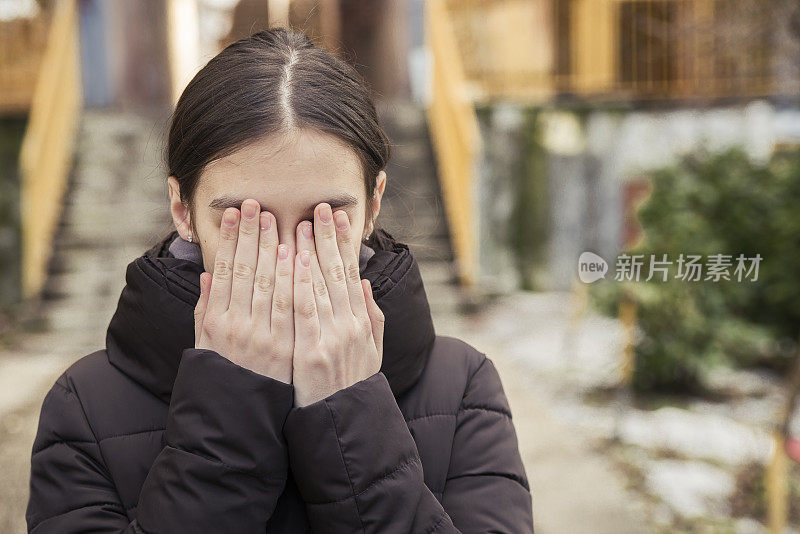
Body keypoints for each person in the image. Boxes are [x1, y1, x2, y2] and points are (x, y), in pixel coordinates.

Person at [25, 28, 534, 533]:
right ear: (183, 210)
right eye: (246, 223)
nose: (288, 259)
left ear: (373, 204)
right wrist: (225, 424)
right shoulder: (85, 407)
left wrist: (353, 414)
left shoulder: (463, 387)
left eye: (323, 220)